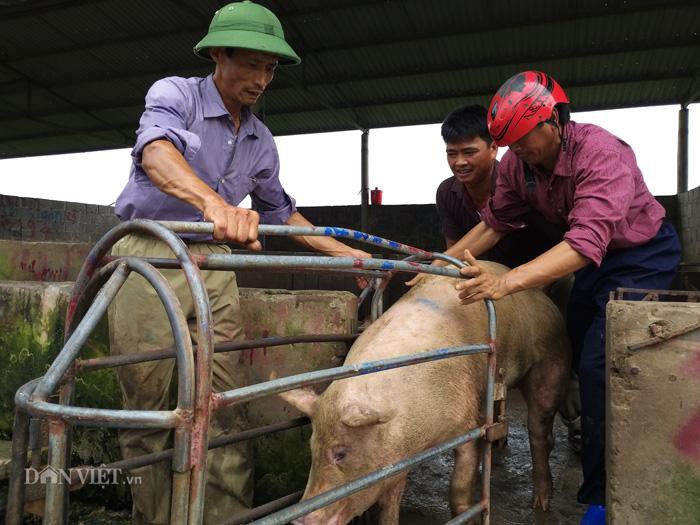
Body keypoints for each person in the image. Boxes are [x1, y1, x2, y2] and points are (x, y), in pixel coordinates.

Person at [108, 2, 369, 524]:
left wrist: (346, 254)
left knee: (222, 405)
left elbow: (280, 212)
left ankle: (224, 517)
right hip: (149, 254)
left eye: (270, 69)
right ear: (217, 54)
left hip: (216, 267)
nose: (262, 78)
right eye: (251, 63)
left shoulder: (260, 140)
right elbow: (156, 153)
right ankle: (158, 518)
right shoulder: (175, 95)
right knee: (149, 408)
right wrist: (216, 205)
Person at [440, 71, 681, 524]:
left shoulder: (602, 152)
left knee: (599, 362)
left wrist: (506, 283)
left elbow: (585, 241)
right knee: (568, 343)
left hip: (640, 254)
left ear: (553, 120)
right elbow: (495, 222)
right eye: (509, 142)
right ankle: (585, 426)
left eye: (523, 138)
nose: (518, 150)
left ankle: (600, 494)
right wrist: (439, 262)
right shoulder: (518, 164)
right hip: (594, 259)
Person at [429, 104, 582, 447]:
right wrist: (435, 270)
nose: (459, 162)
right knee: (480, 349)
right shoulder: (448, 193)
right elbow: (455, 250)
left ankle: (576, 422)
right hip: (489, 283)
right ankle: (487, 426)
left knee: (559, 350)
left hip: (544, 278)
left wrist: (532, 292)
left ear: (494, 147)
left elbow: (559, 243)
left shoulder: (519, 179)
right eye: (451, 154)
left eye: (470, 152)